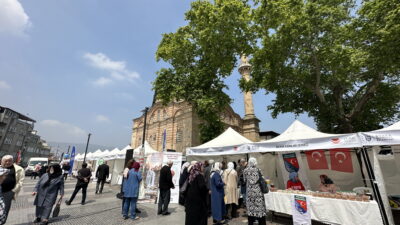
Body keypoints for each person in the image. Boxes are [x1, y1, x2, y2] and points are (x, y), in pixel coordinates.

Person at [1, 155, 25, 223]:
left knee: (4, 209)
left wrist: (13, 191)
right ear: (2, 161)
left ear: (12, 161)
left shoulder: (18, 169)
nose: (8, 162)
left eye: (10, 161)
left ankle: (2, 222)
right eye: (6, 161)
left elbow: (20, 182)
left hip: (8, 192)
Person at [244, 157, 267, 225]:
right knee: (260, 208)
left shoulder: (245, 170)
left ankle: (251, 222)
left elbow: (245, 180)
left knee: (251, 208)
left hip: (249, 192)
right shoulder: (258, 170)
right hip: (258, 192)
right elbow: (262, 179)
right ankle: (261, 223)